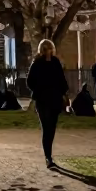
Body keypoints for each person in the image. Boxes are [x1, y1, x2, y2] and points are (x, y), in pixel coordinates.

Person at [27, 39, 69, 168]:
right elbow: (30, 81)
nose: (48, 51)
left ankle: (48, 155)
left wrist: (63, 93)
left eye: (49, 48)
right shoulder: (37, 63)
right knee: (46, 128)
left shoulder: (55, 63)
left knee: (51, 128)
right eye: (46, 49)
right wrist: (39, 89)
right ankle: (48, 157)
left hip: (54, 99)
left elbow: (62, 80)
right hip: (43, 99)